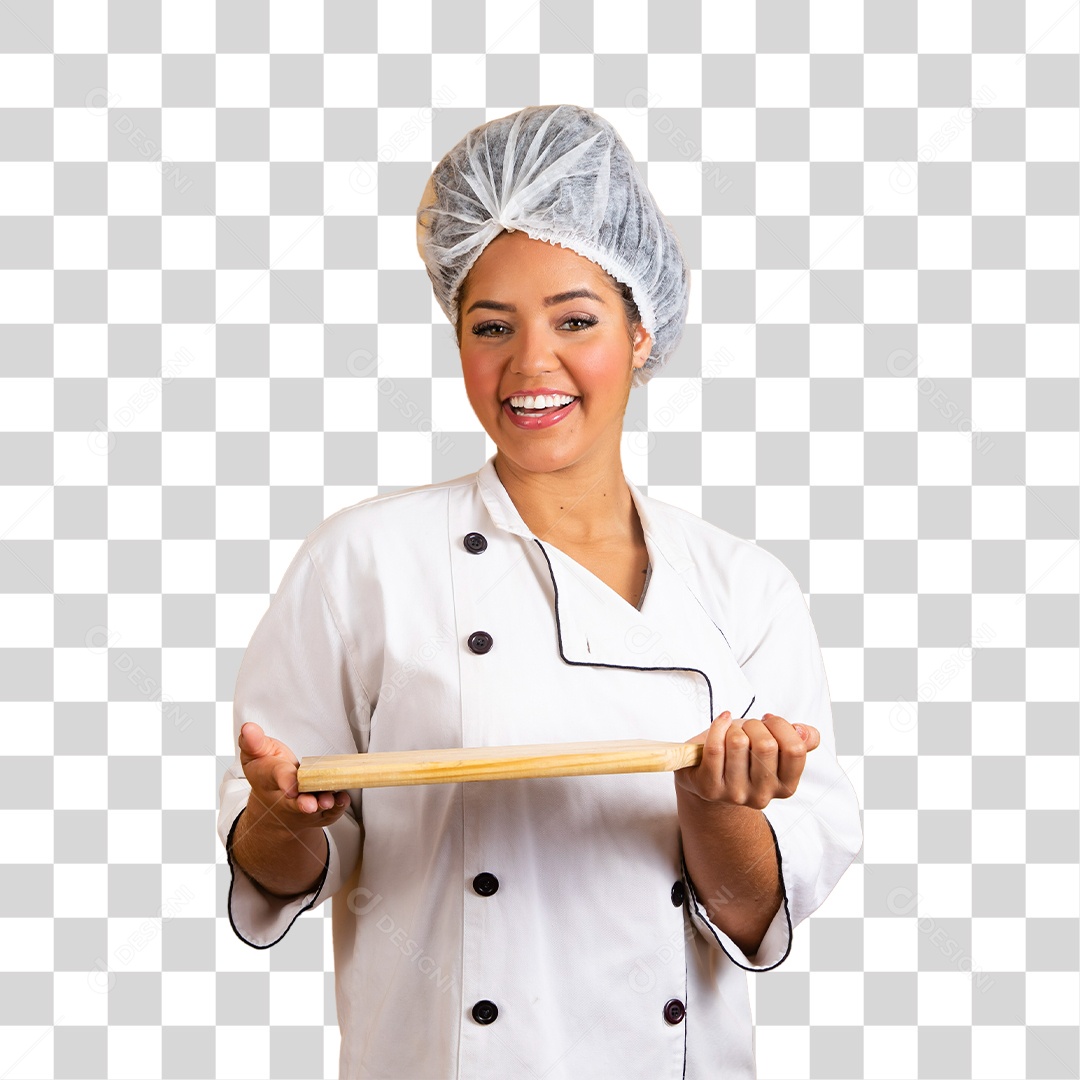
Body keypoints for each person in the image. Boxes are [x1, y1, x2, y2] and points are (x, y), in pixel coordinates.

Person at [217, 104, 862, 1079]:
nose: (531, 365)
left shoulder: (745, 590)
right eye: (491, 326)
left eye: (575, 319)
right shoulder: (364, 563)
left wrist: (714, 806)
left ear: (641, 333)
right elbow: (274, 877)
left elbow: (751, 916)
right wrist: (279, 815)